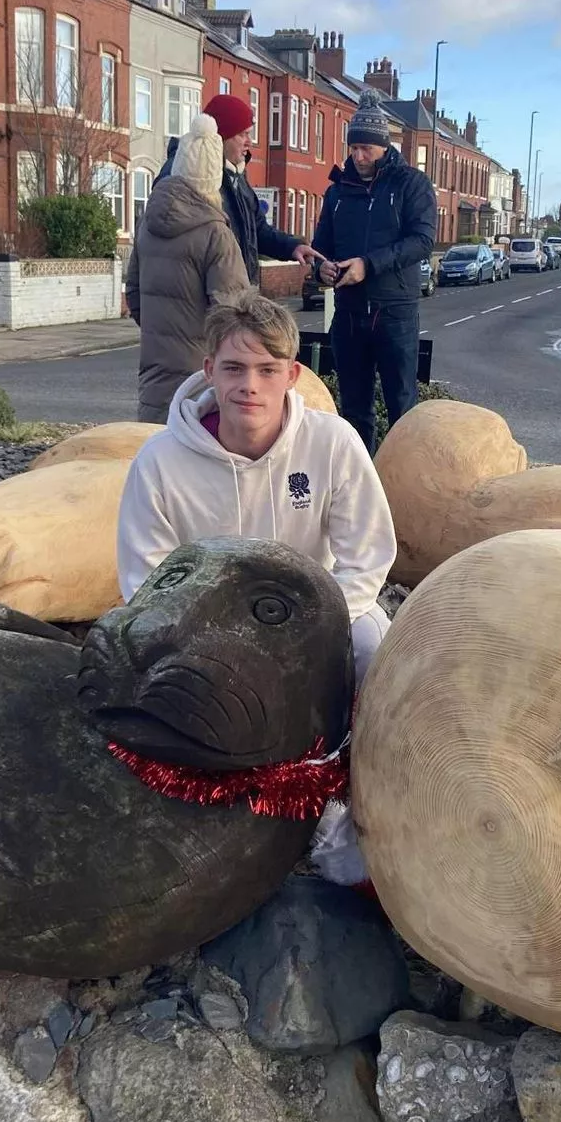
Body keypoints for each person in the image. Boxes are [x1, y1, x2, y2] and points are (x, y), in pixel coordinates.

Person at [116, 288, 397, 691]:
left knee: (375, 651)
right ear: (209, 370)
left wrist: (299, 630)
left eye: (267, 369)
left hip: (314, 617)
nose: (250, 385)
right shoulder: (158, 461)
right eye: (234, 368)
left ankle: (352, 751)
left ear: (292, 375)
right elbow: (145, 580)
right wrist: (222, 644)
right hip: (203, 627)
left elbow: (367, 559)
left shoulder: (334, 443)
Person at [311, 88, 437, 453]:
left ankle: (402, 486)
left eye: (366, 148)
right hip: (349, 314)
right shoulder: (338, 191)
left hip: (394, 312)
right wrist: (322, 271)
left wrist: (369, 265)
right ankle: (359, 484)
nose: (358, 156)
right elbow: (323, 247)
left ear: (384, 146)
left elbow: (423, 240)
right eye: (353, 148)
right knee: (353, 410)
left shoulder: (411, 184)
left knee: (402, 406)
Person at [125, 113, 249, 423]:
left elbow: (135, 295)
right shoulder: (215, 234)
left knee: (157, 460)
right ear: (212, 179)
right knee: (197, 466)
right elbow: (233, 316)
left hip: (153, 375)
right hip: (202, 381)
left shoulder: (147, 224)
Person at [157, 93, 323, 288]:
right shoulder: (183, 172)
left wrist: (292, 247)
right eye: (243, 134)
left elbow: (257, 230)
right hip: (203, 304)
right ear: (221, 137)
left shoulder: (237, 175)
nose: (249, 142)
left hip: (233, 301)